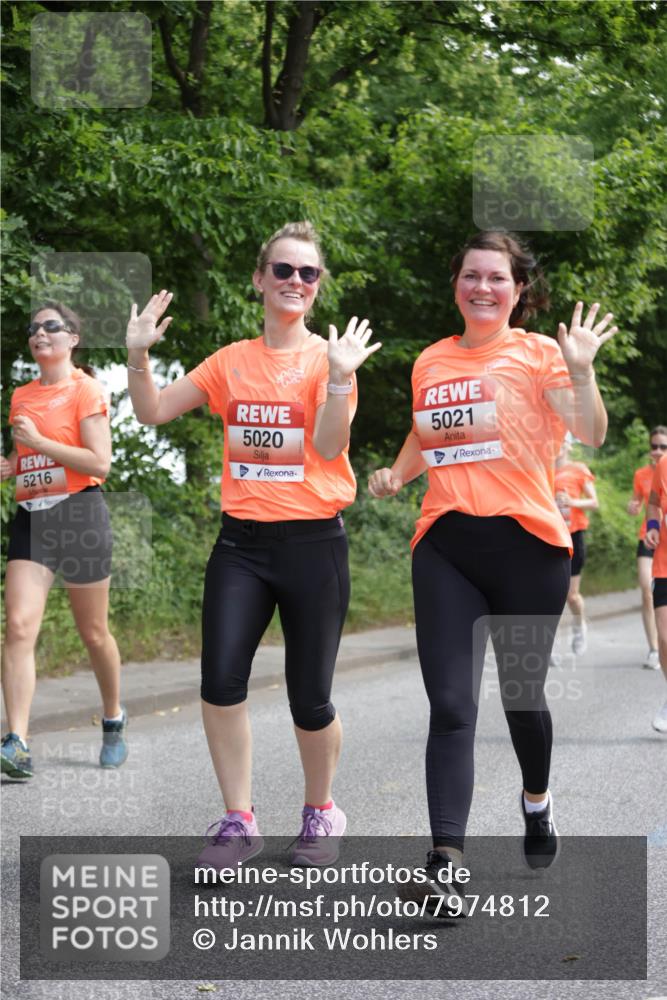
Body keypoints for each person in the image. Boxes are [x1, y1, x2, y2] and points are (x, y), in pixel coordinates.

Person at [369, 230, 615, 914]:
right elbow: (427, 432)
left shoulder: (540, 354)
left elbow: (589, 431)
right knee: (450, 706)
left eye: (496, 278)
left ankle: (535, 801)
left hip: (529, 548)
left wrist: (583, 369)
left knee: (520, 699)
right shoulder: (430, 359)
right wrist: (396, 472)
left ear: (518, 291)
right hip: (445, 544)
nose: (482, 287)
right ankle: (446, 864)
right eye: (471, 275)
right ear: (456, 283)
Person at [125, 221, 380, 866]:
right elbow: (152, 411)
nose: (296, 282)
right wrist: (136, 355)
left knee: (309, 695)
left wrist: (343, 378)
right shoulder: (231, 361)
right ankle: (239, 819)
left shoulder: (332, 359)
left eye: (309, 274)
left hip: (313, 545)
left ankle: (321, 811)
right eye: (284, 271)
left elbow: (326, 447)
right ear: (260, 279)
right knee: (219, 683)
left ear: (317, 288)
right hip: (241, 546)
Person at [1, 302, 127, 780]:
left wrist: (38, 441)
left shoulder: (86, 389)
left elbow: (99, 463)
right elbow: (30, 457)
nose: (39, 334)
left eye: (51, 327)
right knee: (17, 627)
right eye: (33, 328)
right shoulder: (21, 395)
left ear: (73, 338)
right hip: (32, 517)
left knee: (93, 634)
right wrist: (13, 466)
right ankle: (17, 742)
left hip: (79, 515)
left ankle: (113, 718)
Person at [554, 434, 598, 655]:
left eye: (561, 442)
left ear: (569, 446)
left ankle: (579, 626)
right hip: (550, 536)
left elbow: (594, 502)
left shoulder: (578, 469)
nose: (557, 446)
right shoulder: (541, 471)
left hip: (574, 535)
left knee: (571, 595)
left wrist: (572, 502)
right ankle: (549, 646)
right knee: (550, 593)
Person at [627, 426, 667, 669]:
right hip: (654, 544)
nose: (658, 451)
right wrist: (650, 523)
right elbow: (647, 501)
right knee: (646, 588)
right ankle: (654, 647)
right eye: (654, 446)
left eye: (663, 446)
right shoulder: (648, 471)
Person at [644, 455, 667, 732]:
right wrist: (652, 527)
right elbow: (652, 503)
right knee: (664, 638)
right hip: (664, 565)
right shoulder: (663, 464)